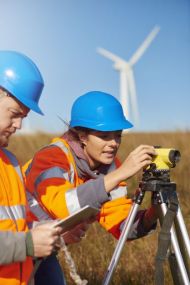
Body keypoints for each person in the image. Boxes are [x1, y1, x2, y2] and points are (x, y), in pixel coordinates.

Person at [24, 91, 158, 282]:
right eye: (104, 136)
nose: (114, 143)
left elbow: (122, 227)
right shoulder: (52, 157)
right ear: (82, 136)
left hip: (42, 250)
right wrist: (119, 174)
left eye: (118, 135)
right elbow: (63, 206)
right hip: (12, 244)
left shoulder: (110, 169)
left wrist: (153, 213)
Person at [0, 50, 86, 285]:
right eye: (15, 114)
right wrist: (27, 244)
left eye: (23, 117)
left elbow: (14, 225)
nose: (19, 125)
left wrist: (52, 233)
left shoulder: (9, 162)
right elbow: (20, 241)